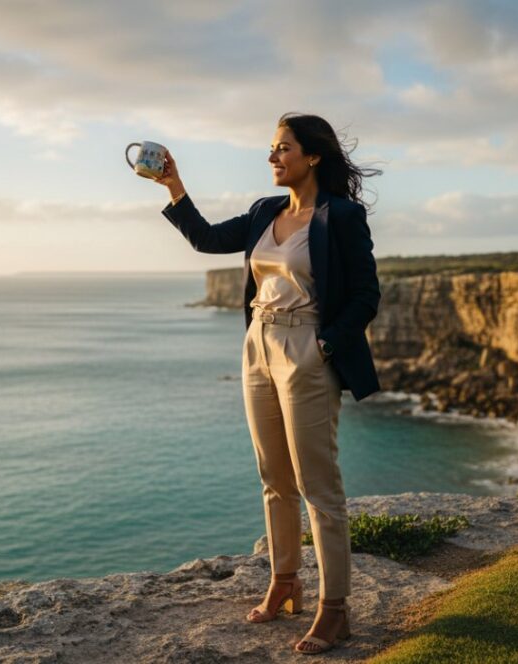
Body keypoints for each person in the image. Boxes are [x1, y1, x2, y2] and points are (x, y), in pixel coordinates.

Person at [154, 112, 382, 655]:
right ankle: (284, 581)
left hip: (306, 348)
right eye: (272, 148)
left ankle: (335, 610)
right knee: (273, 477)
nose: (273, 156)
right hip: (257, 343)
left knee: (318, 487)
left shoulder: (341, 216)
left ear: (313, 156)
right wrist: (173, 186)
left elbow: (366, 297)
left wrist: (323, 346)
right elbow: (208, 239)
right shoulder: (265, 211)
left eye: (283, 148)